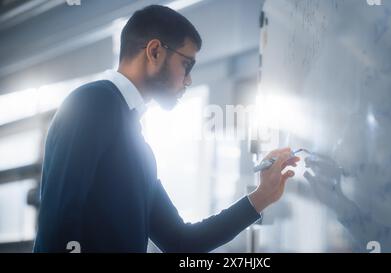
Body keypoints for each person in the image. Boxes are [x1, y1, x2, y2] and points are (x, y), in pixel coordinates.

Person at [33, 5, 299, 253]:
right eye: (187, 64)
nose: (189, 79)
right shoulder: (91, 103)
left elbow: (180, 242)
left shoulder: (138, 147)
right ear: (155, 51)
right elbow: (57, 230)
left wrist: (261, 197)